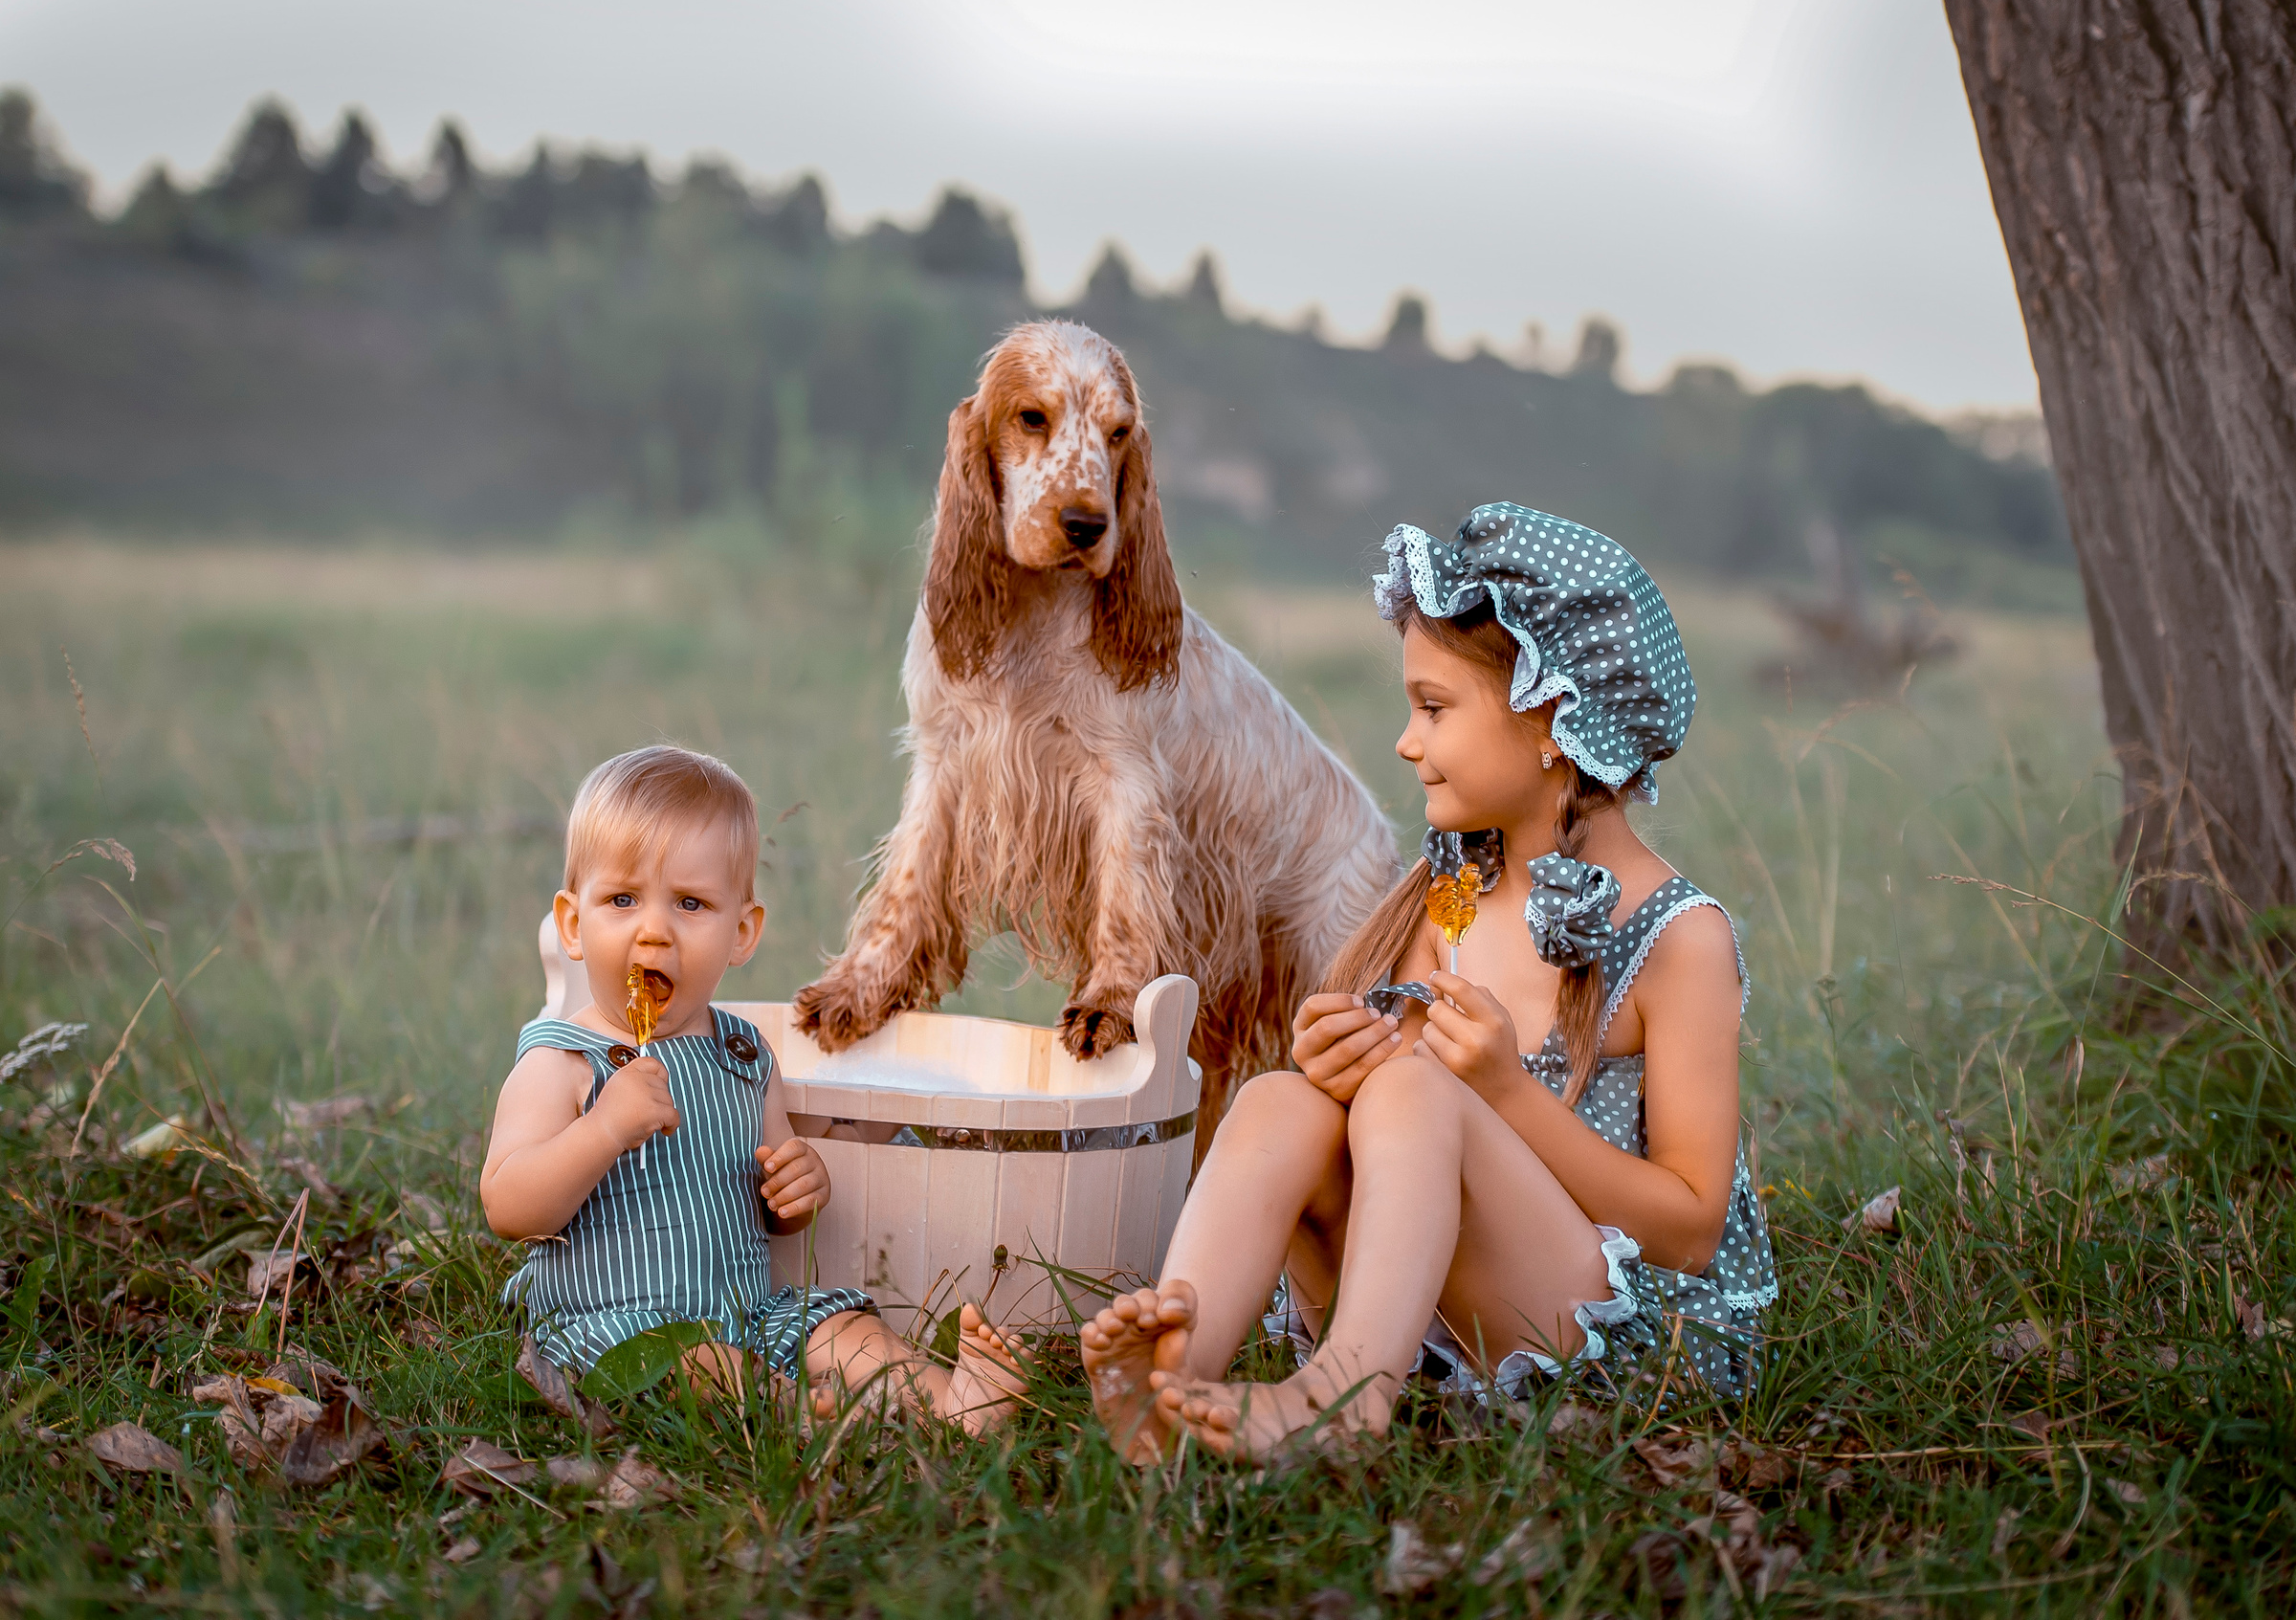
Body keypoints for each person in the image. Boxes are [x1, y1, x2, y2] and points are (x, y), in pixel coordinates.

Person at [1080, 504, 1777, 1462]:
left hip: (1613, 1342)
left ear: (1548, 714)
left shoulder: (1676, 938)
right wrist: (1336, 1068)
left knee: (1416, 1085)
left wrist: (1503, 1093)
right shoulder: (1447, 891)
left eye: (1434, 706)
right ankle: (1174, 1371)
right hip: (1443, 1315)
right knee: (1280, 1098)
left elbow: (1692, 1232)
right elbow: (1392, 1128)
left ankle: (1345, 1393)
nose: (1407, 742)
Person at [480, 744, 1027, 1432]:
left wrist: (797, 1188)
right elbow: (509, 1207)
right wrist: (603, 1129)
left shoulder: (741, 1055)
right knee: (704, 1362)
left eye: (691, 903)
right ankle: (795, 1412)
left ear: (741, 932)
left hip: (745, 1309)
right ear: (573, 925)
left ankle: (950, 1400)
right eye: (622, 899)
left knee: (842, 1327)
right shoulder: (564, 1062)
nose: (654, 929)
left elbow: (773, 1204)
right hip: (615, 1327)